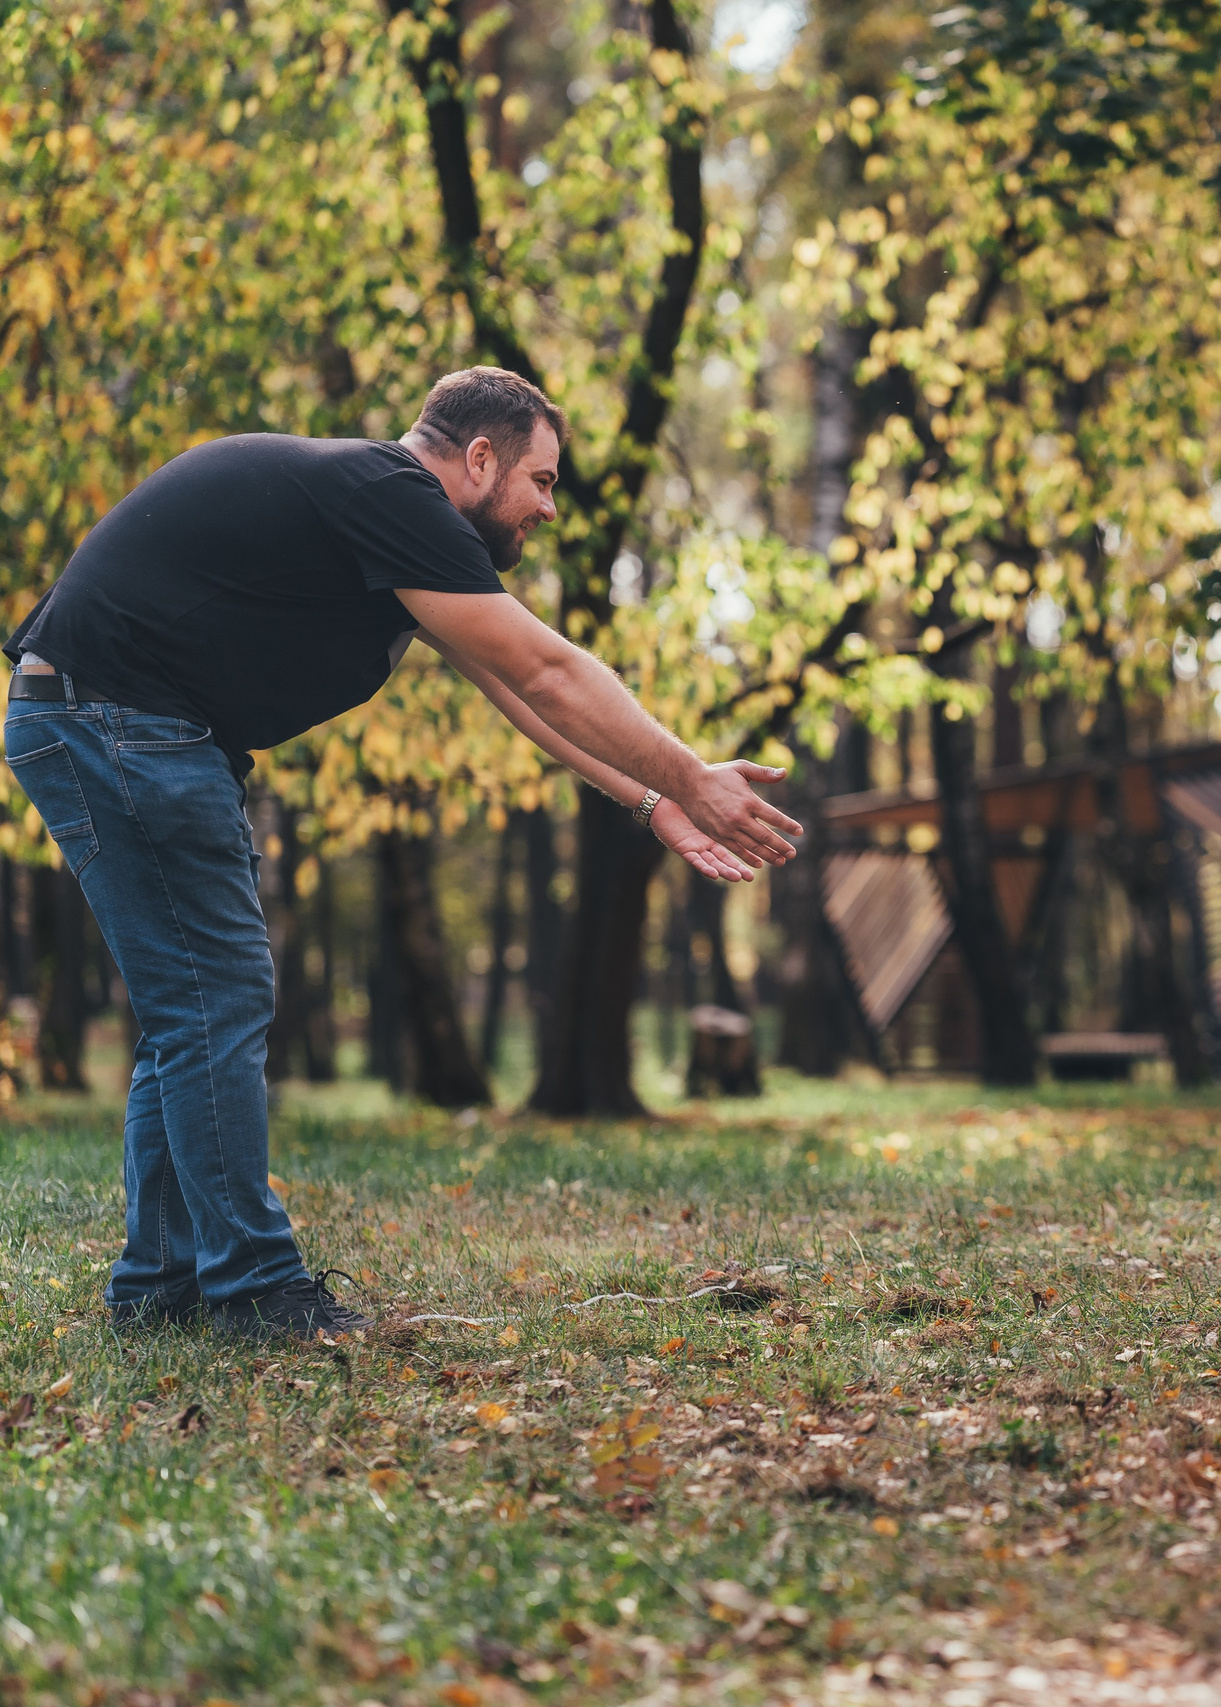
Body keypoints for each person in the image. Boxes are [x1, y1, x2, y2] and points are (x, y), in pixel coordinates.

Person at [2, 367, 803, 1342]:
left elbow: (515, 688)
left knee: (194, 1005)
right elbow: (547, 668)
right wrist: (692, 777)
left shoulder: (389, 522)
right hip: (116, 717)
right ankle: (254, 1288)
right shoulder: (395, 494)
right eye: (542, 480)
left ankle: (160, 1285)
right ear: (480, 458)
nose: (549, 508)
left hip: (102, 714)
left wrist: (652, 801)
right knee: (213, 999)